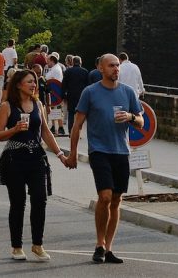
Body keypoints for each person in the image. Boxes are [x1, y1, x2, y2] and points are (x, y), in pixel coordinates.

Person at [67, 54, 144, 265]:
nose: (116, 69)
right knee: (105, 196)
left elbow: (141, 121)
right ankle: (99, 244)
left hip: (121, 151)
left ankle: (109, 248)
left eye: (117, 65)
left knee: (117, 200)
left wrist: (130, 117)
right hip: (99, 151)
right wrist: (72, 153)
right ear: (101, 68)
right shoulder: (90, 92)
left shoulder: (127, 92)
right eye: (111, 66)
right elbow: (77, 125)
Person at [0, 69, 69, 262]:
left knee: (40, 199)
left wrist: (60, 154)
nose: (33, 85)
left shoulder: (38, 104)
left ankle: (37, 244)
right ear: (19, 84)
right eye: (29, 81)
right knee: (18, 204)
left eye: (34, 82)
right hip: (14, 159)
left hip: (36, 158)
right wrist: (15, 129)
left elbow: (45, 131)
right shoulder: (7, 106)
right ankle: (17, 246)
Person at [44, 54, 66, 136]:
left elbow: (47, 78)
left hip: (55, 93)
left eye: (48, 61)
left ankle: (60, 128)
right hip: (54, 92)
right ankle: (54, 127)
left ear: (52, 61)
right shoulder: (55, 68)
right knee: (53, 109)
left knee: (57, 109)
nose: (47, 63)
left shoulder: (55, 69)